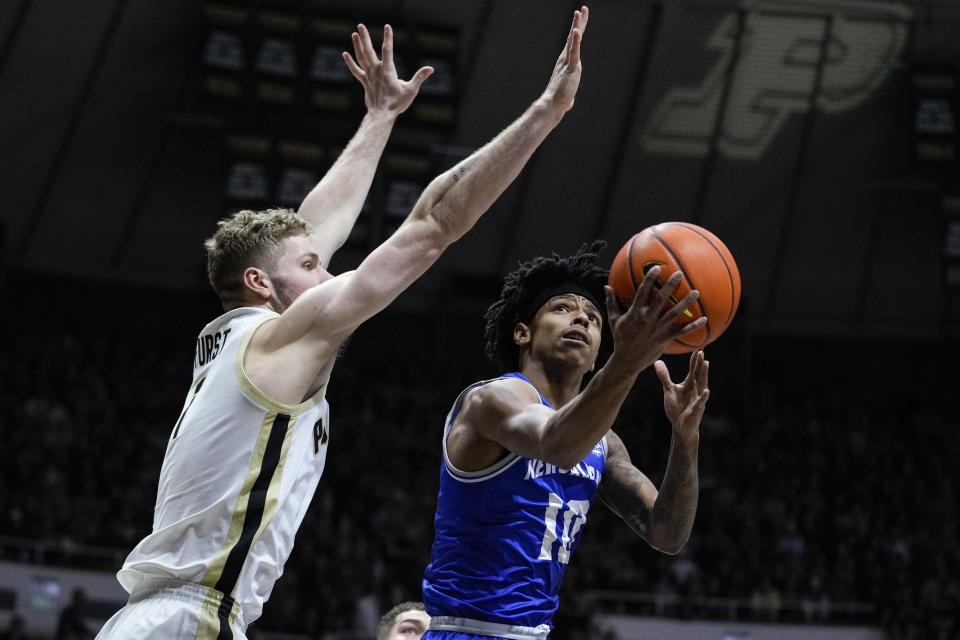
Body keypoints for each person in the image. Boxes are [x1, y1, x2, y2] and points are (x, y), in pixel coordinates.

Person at [96, 7, 590, 640]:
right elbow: (433, 225)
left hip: (164, 618)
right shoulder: (281, 338)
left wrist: (379, 116)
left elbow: (310, 228)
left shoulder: (238, 342)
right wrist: (545, 113)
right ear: (260, 283)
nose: (328, 272)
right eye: (312, 266)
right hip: (192, 620)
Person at [421, 241, 710, 637]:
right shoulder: (492, 399)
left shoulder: (604, 443)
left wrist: (685, 438)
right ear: (522, 333)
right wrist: (627, 361)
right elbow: (557, 446)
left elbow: (667, 533)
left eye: (593, 317)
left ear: (594, 359)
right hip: (468, 630)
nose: (582, 319)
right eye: (562, 309)